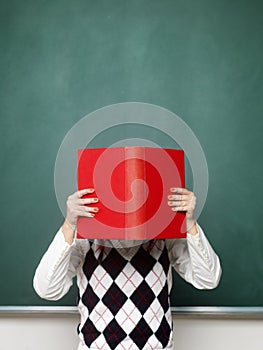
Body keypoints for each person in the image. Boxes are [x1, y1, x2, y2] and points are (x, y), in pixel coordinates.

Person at [33, 187, 221, 350]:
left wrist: (189, 223)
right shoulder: (85, 235)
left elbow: (208, 279)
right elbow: (47, 289)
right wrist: (69, 224)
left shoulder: (165, 233)